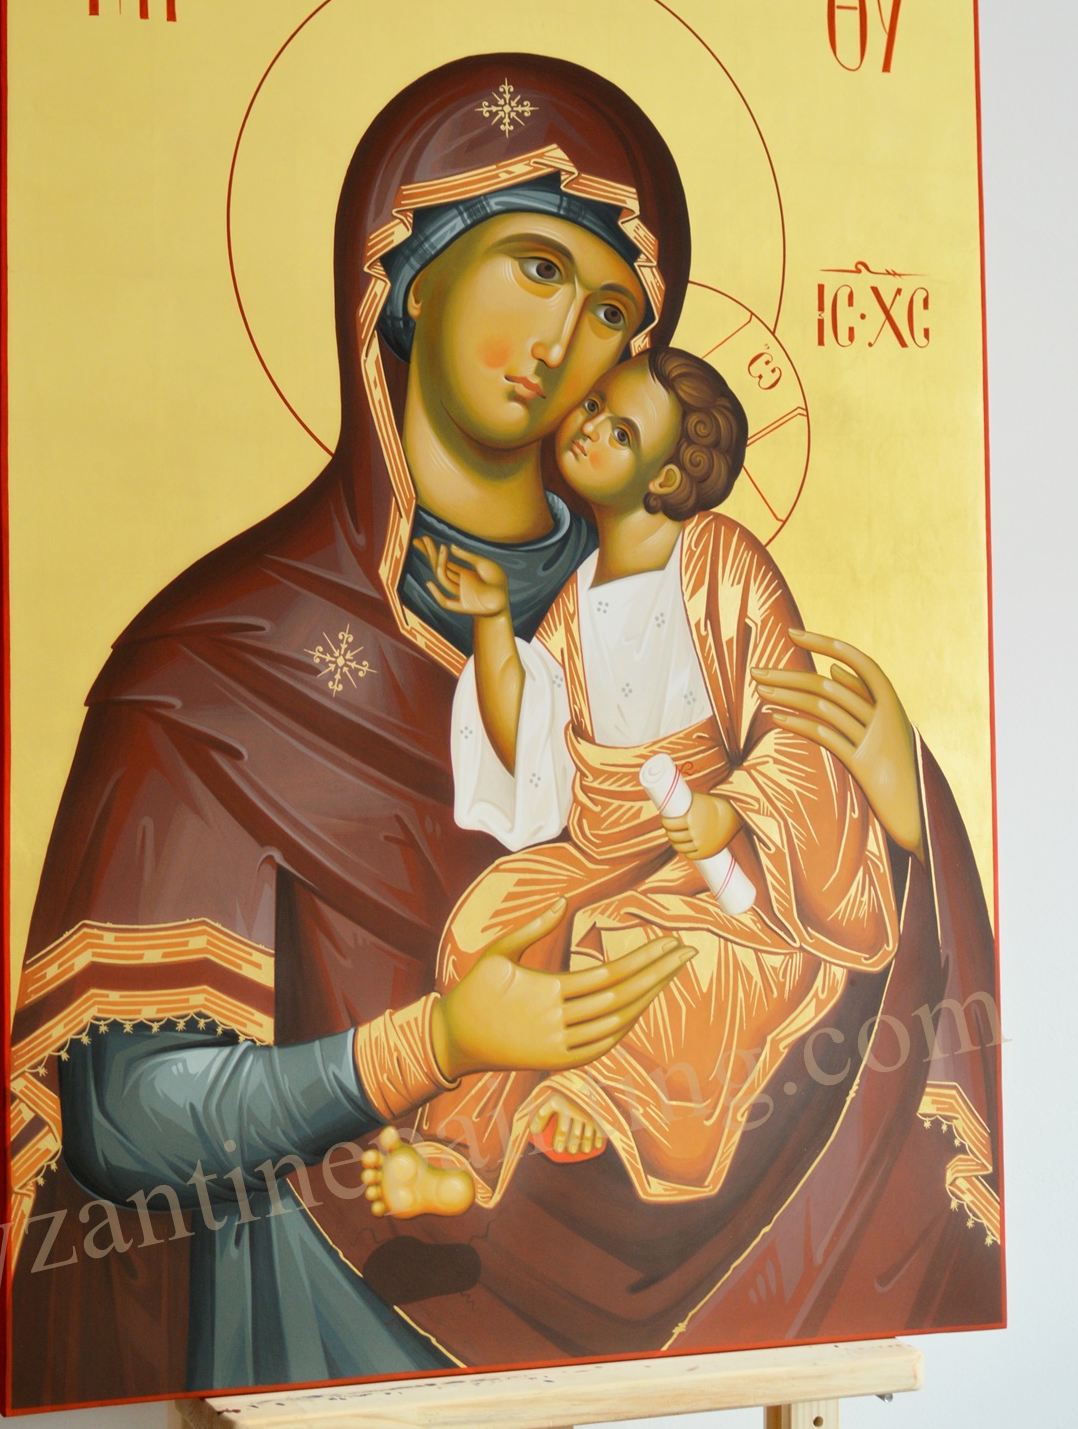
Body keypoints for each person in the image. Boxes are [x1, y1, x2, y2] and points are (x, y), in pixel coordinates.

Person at [4, 54, 1000, 1411]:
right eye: (537, 267)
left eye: (610, 308)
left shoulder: (697, 595)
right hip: (329, 1315)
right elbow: (123, 1118)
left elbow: (845, 911)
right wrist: (438, 1042)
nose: (565, 336)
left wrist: (904, 809)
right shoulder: (219, 662)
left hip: (745, 1257)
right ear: (407, 272)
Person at [360, 348, 898, 1219]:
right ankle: (458, 1150)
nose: (586, 426)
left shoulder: (722, 561)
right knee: (491, 921)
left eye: (620, 429)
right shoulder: (576, 596)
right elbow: (532, 738)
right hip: (601, 845)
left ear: (669, 475)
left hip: (720, 868)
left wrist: (729, 811)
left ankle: (598, 1095)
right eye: (592, 406)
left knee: (650, 942)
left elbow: (791, 721)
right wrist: (494, 624)